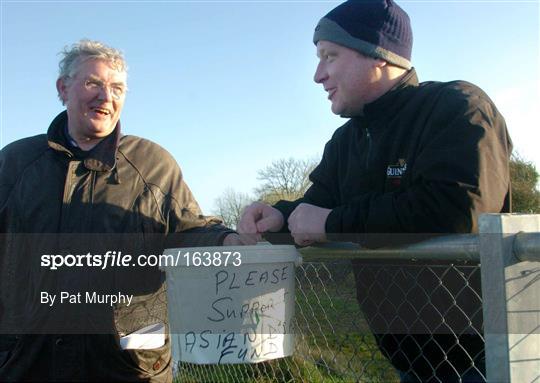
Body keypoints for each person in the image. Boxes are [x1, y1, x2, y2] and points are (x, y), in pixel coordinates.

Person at [238, 1, 512, 382]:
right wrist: (280, 216)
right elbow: (317, 207)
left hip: (483, 361)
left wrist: (335, 223)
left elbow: (457, 206)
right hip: (408, 363)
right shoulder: (347, 140)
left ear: (378, 56)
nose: (318, 75)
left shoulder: (458, 107)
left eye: (329, 56)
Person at [0, 39, 244, 382]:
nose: (105, 97)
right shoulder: (15, 163)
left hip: (127, 366)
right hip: (28, 362)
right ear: (63, 88)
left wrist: (225, 240)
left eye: (117, 88)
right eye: (92, 83)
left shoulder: (153, 165)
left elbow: (190, 229)